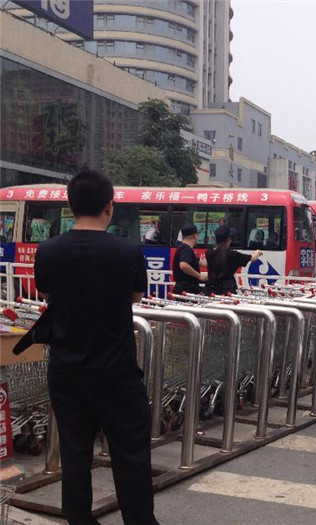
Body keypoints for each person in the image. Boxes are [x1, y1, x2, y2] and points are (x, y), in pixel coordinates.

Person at [33, 169, 158, 524]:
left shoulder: (49, 250)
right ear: (109, 206)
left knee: (74, 457)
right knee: (131, 456)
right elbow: (134, 296)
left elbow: (47, 293)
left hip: (67, 371)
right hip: (116, 371)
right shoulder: (128, 251)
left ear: (71, 207)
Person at [205, 225, 262, 295]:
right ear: (229, 239)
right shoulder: (233, 255)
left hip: (210, 291)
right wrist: (257, 252)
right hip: (227, 292)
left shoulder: (208, 253)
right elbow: (253, 257)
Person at [172, 224, 206, 294]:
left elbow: (191, 262)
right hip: (186, 289)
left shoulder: (182, 248)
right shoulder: (186, 249)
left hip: (184, 288)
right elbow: (183, 265)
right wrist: (199, 276)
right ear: (195, 236)